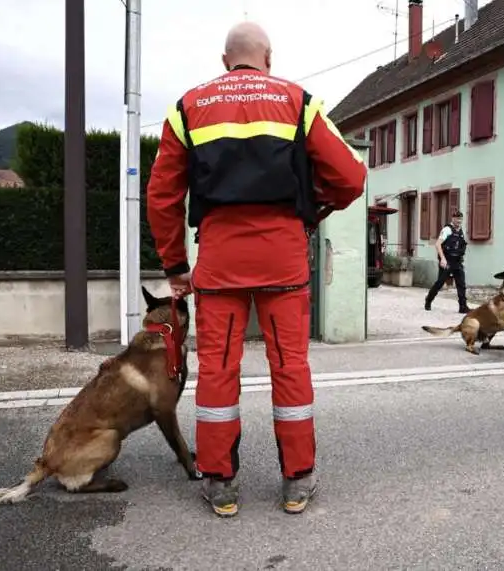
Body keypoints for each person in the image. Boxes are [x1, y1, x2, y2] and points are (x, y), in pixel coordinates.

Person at [146, 21, 367, 517]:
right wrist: (315, 207)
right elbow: (352, 177)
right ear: (268, 57)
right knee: (290, 367)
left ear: (226, 60)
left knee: (219, 371)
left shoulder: (187, 108)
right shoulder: (299, 101)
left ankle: (220, 484)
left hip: (221, 261)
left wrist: (176, 265)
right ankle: (296, 482)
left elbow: (162, 196)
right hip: (283, 257)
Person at [424, 210, 469, 313]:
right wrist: (443, 259)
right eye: (457, 219)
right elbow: (438, 244)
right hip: (447, 260)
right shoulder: (447, 229)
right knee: (440, 282)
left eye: (460, 219)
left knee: (461, 284)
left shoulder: (461, 231)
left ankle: (463, 307)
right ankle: (428, 300)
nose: (459, 221)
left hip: (457, 261)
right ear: (453, 218)